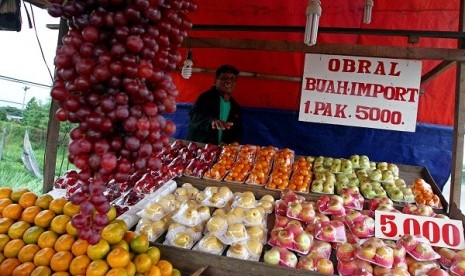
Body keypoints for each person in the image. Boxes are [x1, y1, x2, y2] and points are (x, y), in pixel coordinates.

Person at [186, 64, 243, 144]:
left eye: (232, 79)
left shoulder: (236, 107)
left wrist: (229, 143)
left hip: (222, 152)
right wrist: (211, 121)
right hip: (200, 149)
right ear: (215, 80)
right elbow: (194, 117)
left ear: (235, 83)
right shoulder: (205, 98)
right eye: (224, 78)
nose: (229, 81)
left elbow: (238, 131)